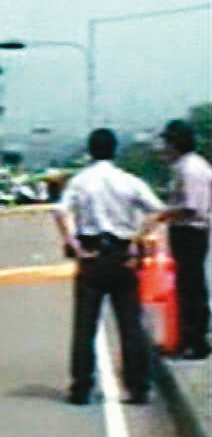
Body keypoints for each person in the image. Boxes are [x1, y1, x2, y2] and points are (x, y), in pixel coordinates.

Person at [53, 129, 164, 406]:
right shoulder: (128, 181)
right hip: (122, 255)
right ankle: (138, 386)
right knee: (130, 324)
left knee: (85, 325)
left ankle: (81, 386)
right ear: (114, 150)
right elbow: (158, 210)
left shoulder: (80, 182)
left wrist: (73, 244)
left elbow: (60, 211)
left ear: (90, 151)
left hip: (91, 255)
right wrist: (141, 237)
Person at [158, 119, 211, 360]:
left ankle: (196, 340)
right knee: (186, 286)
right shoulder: (182, 166)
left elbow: (191, 207)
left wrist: (164, 215)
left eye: (167, 142)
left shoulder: (191, 169)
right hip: (184, 232)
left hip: (191, 232)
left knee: (191, 287)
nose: (164, 147)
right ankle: (187, 337)